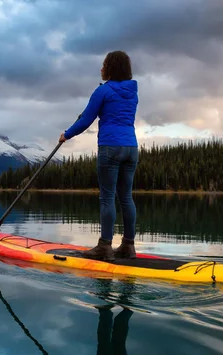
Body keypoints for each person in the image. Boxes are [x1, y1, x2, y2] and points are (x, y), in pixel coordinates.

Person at [59, 50, 139, 261]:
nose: (101, 68)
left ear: (110, 68)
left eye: (104, 65)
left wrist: (66, 135)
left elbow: (86, 120)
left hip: (110, 147)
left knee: (107, 197)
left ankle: (105, 246)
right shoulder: (133, 92)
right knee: (126, 197)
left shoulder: (102, 91)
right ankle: (128, 246)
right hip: (131, 148)